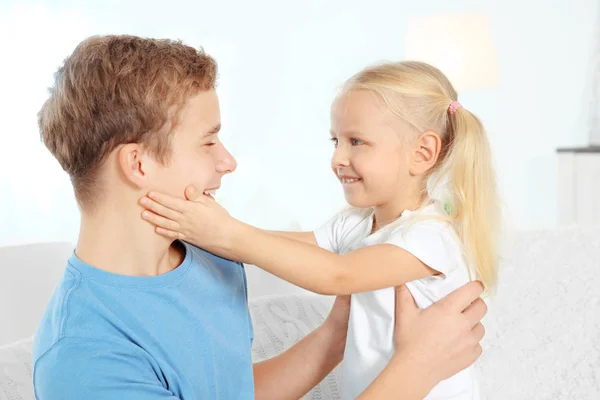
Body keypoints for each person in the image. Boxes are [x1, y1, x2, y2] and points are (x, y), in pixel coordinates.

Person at [33, 35, 487, 400]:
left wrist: (336, 335)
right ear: (138, 165)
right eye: (208, 141)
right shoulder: (84, 360)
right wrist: (418, 368)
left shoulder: (209, 263)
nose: (229, 162)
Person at [140, 61, 501, 399]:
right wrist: (201, 229)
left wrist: (228, 233)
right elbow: (289, 248)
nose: (337, 158)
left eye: (356, 142)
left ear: (422, 153)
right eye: (335, 141)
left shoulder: (431, 235)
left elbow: (337, 275)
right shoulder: (357, 222)